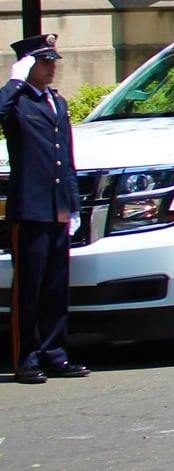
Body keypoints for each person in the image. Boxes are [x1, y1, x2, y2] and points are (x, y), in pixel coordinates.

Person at [2, 34, 88, 384]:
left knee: (55, 288)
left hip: (58, 208)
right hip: (31, 208)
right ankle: (27, 358)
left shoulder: (57, 102)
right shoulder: (17, 102)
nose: (52, 68)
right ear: (28, 65)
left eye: (53, 62)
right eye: (44, 62)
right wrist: (14, 81)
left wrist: (73, 204)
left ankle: (56, 353)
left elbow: (65, 158)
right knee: (30, 289)